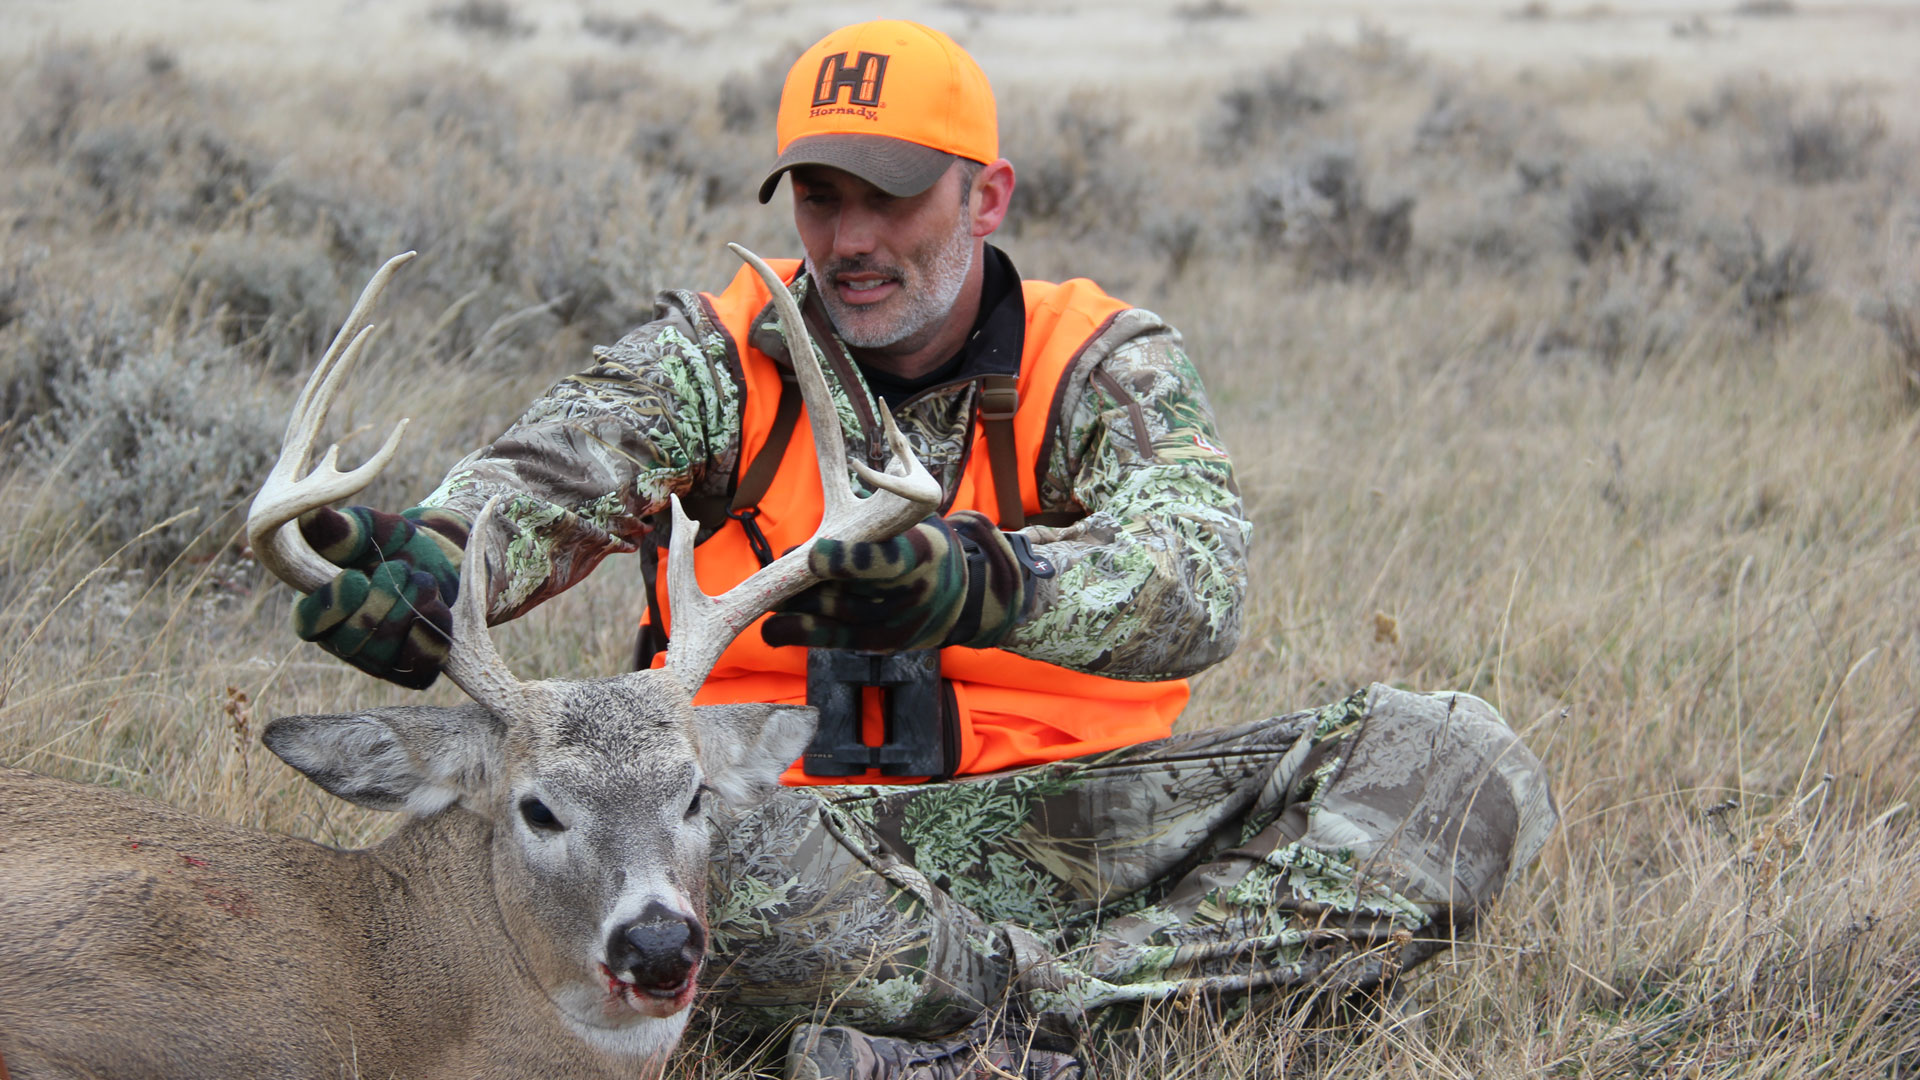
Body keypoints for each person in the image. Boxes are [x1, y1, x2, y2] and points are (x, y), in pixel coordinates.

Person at [289, 20, 1557, 1080]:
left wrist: (981, 582)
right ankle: (1143, 1016)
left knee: (1457, 762)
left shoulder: (1098, 361)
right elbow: (555, 471)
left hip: (1080, 825)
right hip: (790, 832)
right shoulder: (714, 358)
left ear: (985, 196)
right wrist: (444, 565)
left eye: (892, 198)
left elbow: (1200, 581)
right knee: (708, 869)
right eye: (821, 198)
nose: (850, 241)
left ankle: (997, 1035)